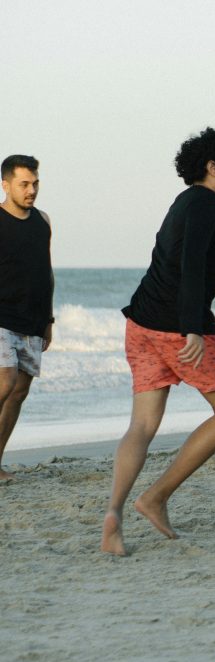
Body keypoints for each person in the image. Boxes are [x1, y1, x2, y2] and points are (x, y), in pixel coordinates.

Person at [101, 128, 215, 556]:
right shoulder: (205, 206)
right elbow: (193, 263)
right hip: (180, 329)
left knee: (141, 425)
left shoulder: (194, 204)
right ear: (213, 168)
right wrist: (193, 326)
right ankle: (155, 497)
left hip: (141, 324)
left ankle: (114, 517)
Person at [0, 155, 54, 481]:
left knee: (19, 393)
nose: (31, 189)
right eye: (24, 184)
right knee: (5, 381)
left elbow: (45, 272)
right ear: (6, 185)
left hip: (33, 319)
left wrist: (48, 319)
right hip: (1, 317)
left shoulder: (43, 221)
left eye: (35, 183)